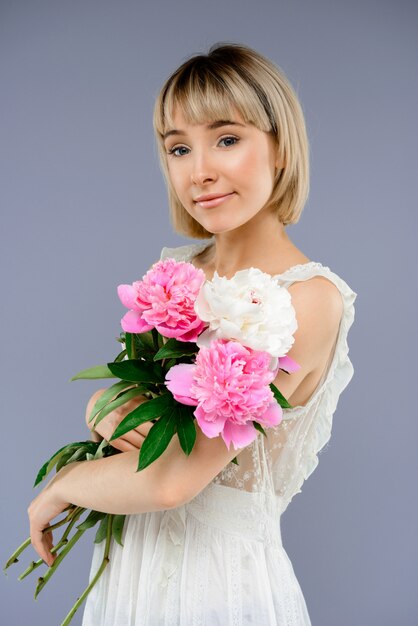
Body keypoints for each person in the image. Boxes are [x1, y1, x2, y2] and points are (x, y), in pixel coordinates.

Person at [28, 43, 357, 625]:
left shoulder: (305, 299)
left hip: (219, 586)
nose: (198, 170)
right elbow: (135, 422)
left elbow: (171, 478)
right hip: (133, 570)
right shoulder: (177, 278)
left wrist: (66, 484)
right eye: (179, 147)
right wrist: (105, 403)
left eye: (226, 139)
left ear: (280, 147)